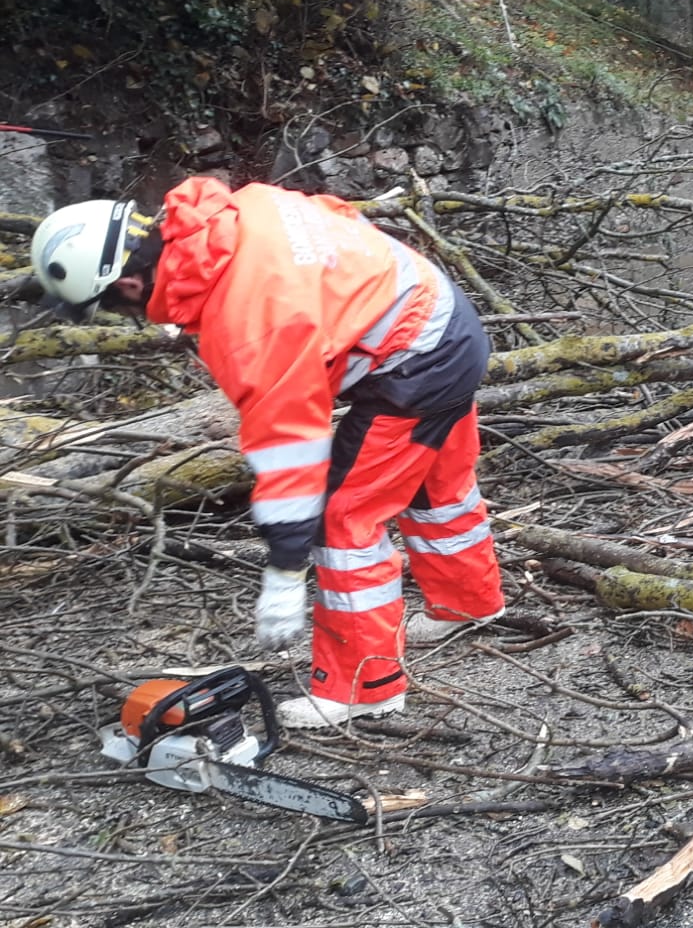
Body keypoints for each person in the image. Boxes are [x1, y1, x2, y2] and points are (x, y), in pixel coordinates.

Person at [30, 178, 505, 727]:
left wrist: (284, 570)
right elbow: (338, 220)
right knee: (434, 482)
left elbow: (290, 447)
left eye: (109, 304)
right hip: (436, 311)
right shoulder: (233, 212)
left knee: (343, 515)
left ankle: (364, 685)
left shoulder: (248, 321)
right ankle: (469, 601)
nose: (120, 313)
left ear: (129, 283)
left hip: (414, 356)